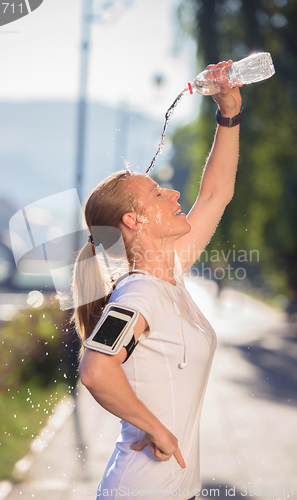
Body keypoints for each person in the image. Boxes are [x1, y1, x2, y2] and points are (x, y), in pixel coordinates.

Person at [72, 60, 242, 500]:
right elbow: (95, 370)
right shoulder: (139, 293)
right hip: (142, 489)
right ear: (134, 219)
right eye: (158, 193)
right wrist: (157, 430)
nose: (174, 194)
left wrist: (229, 113)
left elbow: (216, 193)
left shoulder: (167, 275)